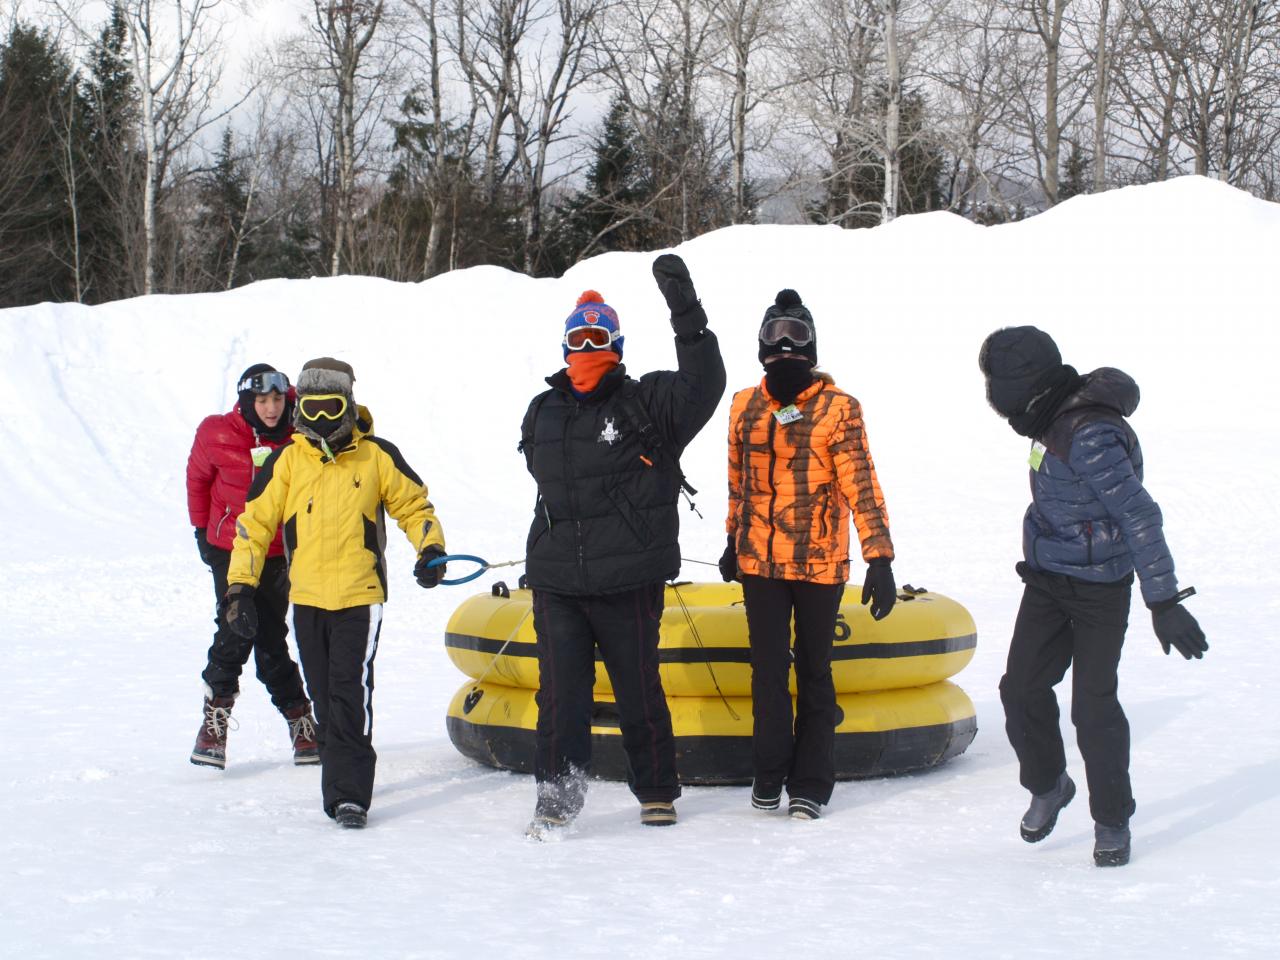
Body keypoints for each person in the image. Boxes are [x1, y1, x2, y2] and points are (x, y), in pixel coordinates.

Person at [978, 325, 1208, 867]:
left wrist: (1164, 601)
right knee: (1021, 689)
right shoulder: (1047, 418)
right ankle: (1049, 784)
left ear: (1026, 384)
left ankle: (1112, 820)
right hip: (1047, 578)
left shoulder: (1088, 433)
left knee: (1092, 707)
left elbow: (1138, 513)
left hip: (1101, 589)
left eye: (1000, 381)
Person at [518, 255, 725, 838]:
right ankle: (556, 800)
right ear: (564, 347)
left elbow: (704, 385)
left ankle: (656, 790)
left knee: (638, 688)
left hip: (629, 579)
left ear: (617, 343)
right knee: (560, 699)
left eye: (598, 336)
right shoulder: (544, 410)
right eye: (578, 337)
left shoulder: (649, 403)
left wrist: (687, 313)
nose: (587, 347)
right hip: (558, 582)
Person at [224, 358, 448, 829]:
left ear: (347, 405)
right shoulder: (288, 460)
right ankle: (337, 767)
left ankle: (348, 795)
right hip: (305, 597)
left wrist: (430, 549)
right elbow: (255, 524)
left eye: (332, 406)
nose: (323, 418)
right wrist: (240, 588)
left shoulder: (375, 455)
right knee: (323, 695)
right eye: (312, 406)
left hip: (359, 595)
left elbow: (413, 504)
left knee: (349, 691)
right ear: (300, 407)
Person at [720, 289, 897, 821]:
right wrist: (732, 540)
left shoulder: (839, 409)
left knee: (815, 671)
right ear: (761, 346)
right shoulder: (744, 405)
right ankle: (769, 773)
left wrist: (879, 557)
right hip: (760, 563)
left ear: (813, 346)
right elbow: (738, 482)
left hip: (819, 563)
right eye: (776, 336)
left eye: (797, 335)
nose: (786, 346)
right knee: (767, 670)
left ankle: (811, 783)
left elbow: (860, 484)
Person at [186, 363, 318, 769]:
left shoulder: (302, 434)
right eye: (262, 400)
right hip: (230, 545)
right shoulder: (216, 432)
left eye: (278, 399)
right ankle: (224, 719)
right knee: (236, 623)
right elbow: (197, 482)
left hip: (278, 550)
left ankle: (295, 718)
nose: (272, 408)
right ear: (247, 400)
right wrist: (203, 537)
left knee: (267, 635)